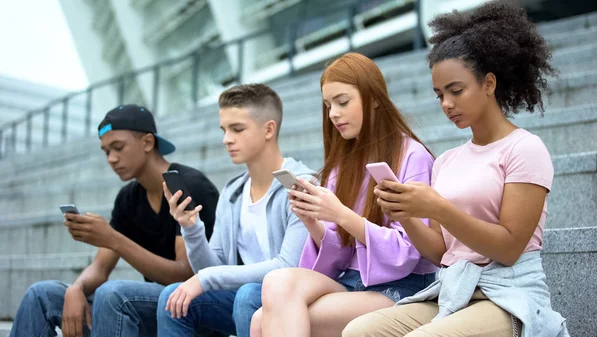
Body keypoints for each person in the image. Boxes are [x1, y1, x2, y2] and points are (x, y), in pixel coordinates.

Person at [343, 2, 570, 337]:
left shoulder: (524, 148)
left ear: (489, 83)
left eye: (456, 90)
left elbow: (509, 248)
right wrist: (405, 212)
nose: (447, 104)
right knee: (357, 332)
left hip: (508, 297)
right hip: (453, 291)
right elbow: (440, 253)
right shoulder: (448, 160)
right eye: (439, 95)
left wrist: (439, 208)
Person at [250, 53, 439, 337]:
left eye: (342, 102)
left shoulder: (413, 157)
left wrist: (340, 214)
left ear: (374, 98)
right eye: (328, 105)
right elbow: (338, 254)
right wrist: (313, 220)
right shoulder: (343, 165)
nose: (333, 114)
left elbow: (409, 251)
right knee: (274, 286)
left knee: (264, 320)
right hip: (351, 282)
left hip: (403, 286)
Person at [10, 104, 219, 337]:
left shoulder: (188, 185)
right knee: (42, 295)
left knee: (113, 294)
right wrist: (77, 288)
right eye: (106, 151)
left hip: (194, 306)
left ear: (148, 143)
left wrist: (114, 239)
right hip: (151, 304)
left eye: (118, 148)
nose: (111, 159)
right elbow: (100, 267)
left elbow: (184, 274)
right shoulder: (128, 198)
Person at [156, 84, 315, 337]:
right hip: (244, 298)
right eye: (224, 130)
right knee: (172, 300)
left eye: (237, 129)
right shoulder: (232, 192)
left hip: (291, 300)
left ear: (269, 129)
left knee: (248, 295)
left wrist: (206, 279)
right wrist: (191, 229)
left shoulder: (301, 185)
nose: (226, 139)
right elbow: (210, 266)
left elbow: (287, 266)